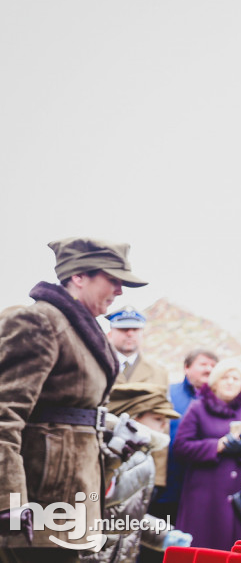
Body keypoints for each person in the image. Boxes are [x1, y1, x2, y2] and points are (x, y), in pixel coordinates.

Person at [0, 237, 147, 562]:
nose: (120, 290)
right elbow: (3, 417)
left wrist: (111, 444)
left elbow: (69, 418)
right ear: (78, 276)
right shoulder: (39, 321)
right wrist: (8, 502)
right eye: (113, 279)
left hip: (72, 498)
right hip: (36, 507)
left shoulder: (81, 329)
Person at [83, 383, 191, 563]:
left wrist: (162, 534)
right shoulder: (107, 450)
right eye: (157, 418)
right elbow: (96, 505)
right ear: (133, 417)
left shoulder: (144, 455)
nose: (165, 425)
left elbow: (127, 514)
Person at [172, 358, 241, 550]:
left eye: (236, 378)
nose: (230, 382)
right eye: (225, 377)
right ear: (214, 382)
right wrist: (217, 446)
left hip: (239, 500)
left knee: (234, 552)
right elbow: (181, 447)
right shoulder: (198, 408)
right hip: (204, 498)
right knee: (202, 551)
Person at [148, 348, 219, 533]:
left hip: (203, 485)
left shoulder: (221, 400)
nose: (209, 369)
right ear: (186, 368)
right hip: (168, 483)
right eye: (203, 364)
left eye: (213, 366)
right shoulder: (168, 394)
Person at [105, 305, 172, 501]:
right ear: (111, 332)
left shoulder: (159, 372)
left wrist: (158, 477)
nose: (129, 334)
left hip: (142, 461)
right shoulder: (98, 365)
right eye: (123, 329)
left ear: (142, 333)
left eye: (135, 330)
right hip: (106, 458)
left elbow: (162, 427)